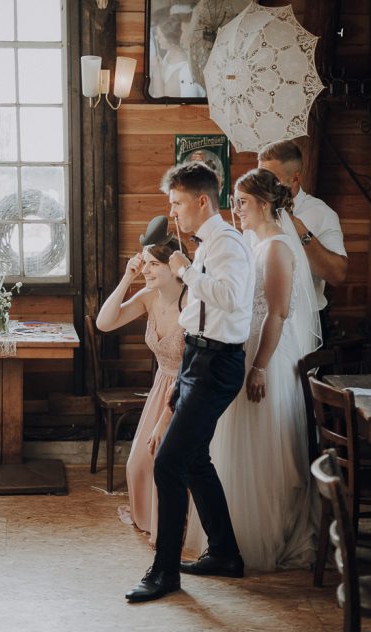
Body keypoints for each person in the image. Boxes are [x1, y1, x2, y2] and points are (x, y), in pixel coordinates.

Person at [125, 161, 254, 603]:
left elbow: (231, 298)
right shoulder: (205, 244)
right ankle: (225, 553)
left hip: (217, 364)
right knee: (195, 459)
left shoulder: (228, 244)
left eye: (178, 203)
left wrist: (185, 271)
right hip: (196, 357)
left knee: (168, 463)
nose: (173, 212)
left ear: (202, 201)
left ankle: (164, 573)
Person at [184, 168, 322, 571]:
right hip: (239, 350)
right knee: (232, 446)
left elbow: (277, 313)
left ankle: (265, 535)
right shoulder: (249, 243)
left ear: (264, 203)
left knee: (263, 450)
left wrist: (259, 366)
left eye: (243, 202)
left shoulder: (277, 247)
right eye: (234, 201)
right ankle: (231, 537)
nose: (236, 209)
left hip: (268, 357)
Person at [96, 234, 186, 544]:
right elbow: (104, 323)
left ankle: (175, 526)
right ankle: (150, 518)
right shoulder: (149, 296)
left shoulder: (191, 302)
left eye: (154, 264)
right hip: (161, 386)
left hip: (186, 390)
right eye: (143, 263)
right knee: (137, 463)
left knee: (165, 462)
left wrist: (168, 414)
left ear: (174, 266)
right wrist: (127, 278)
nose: (145, 270)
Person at [257, 140, 348, 325]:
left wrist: (297, 229)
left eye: (271, 178)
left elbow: (338, 275)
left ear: (295, 178)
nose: (263, 185)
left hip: (305, 322)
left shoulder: (322, 214)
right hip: (262, 319)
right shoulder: (254, 211)